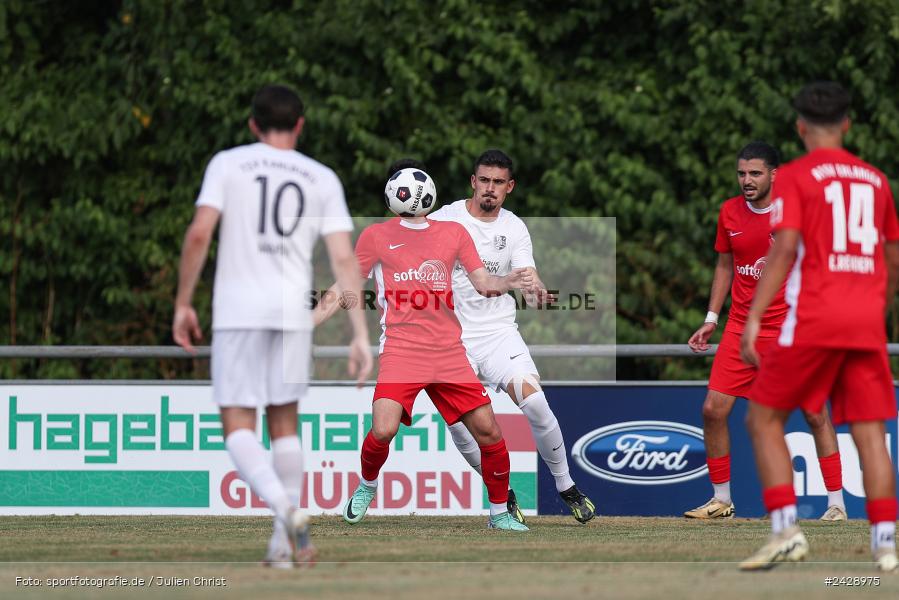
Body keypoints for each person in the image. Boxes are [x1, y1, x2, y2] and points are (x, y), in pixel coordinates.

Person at [172, 84, 373, 567]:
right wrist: (360, 333)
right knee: (284, 425)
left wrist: (182, 303)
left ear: (253, 124)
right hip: (291, 314)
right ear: (300, 125)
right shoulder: (321, 176)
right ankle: (282, 547)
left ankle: (286, 512)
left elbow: (199, 233)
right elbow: (343, 257)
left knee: (237, 426)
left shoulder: (228, 164)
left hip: (238, 311)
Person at [314, 162, 532, 531]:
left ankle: (499, 514)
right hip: (402, 350)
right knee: (383, 430)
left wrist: (508, 281)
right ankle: (367, 485)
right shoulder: (375, 236)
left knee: (490, 432)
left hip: (449, 352)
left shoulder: (454, 232)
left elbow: (483, 283)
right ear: (392, 194)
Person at [739, 81, 899, 571]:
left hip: (812, 317)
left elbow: (785, 249)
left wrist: (752, 320)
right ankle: (886, 544)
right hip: (865, 322)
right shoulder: (876, 180)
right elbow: (893, 256)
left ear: (800, 127)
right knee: (870, 432)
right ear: (847, 124)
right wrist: (876, 306)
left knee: (762, 418)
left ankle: (786, 531)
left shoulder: (795, 176)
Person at [428, 149, 596, 524]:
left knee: (536, 405)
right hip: (451, 341)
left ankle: (567, 486)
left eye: (498, 182)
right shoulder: (445, 219)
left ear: (510, 187)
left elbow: (526, 276)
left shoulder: (514, 228)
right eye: (484, 180)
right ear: (473, 182)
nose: (490, 188)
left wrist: (537, 292)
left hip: (498, 334)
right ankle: (502, 494)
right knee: (460, 426)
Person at [685, 141, 846, 521]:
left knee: (815, 414)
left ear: (775, 174)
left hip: (791, 330)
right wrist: (711, 318)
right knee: (713, 410)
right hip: (741, 329)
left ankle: (837, 504)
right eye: (741, 173)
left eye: (755, 173)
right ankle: (721, 501)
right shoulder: (729, 212)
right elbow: (725, 266)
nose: (747, 180)